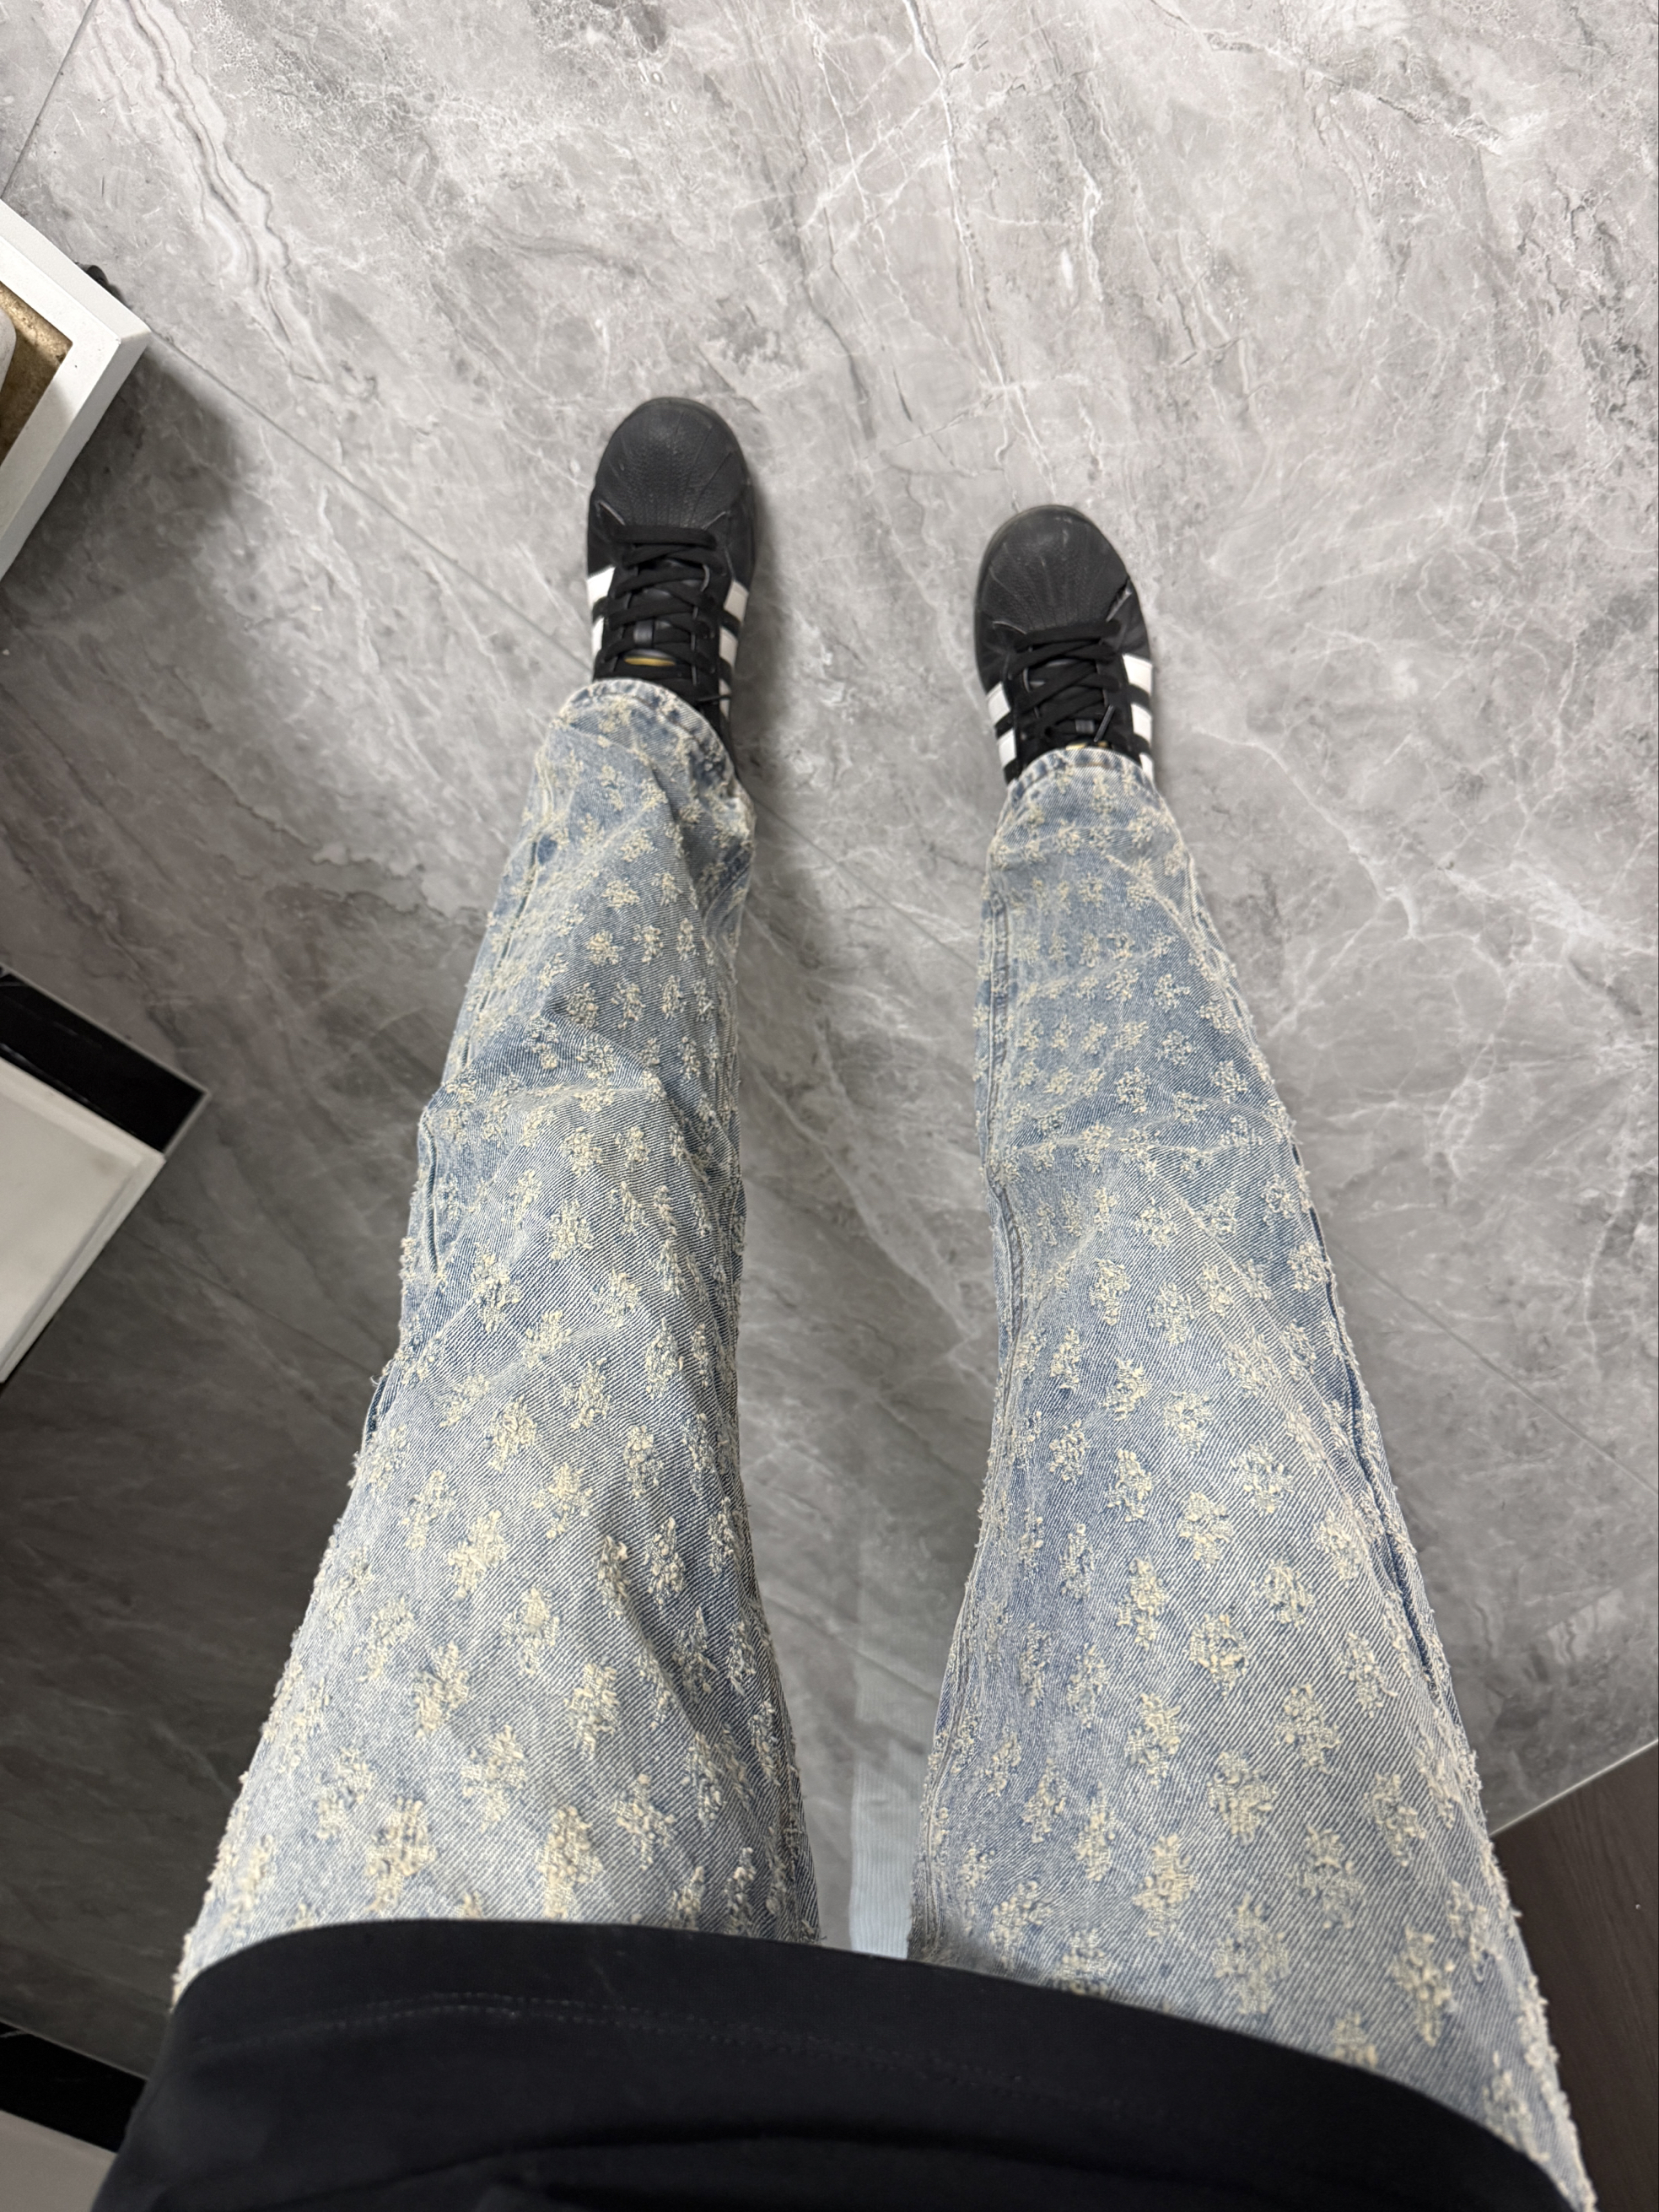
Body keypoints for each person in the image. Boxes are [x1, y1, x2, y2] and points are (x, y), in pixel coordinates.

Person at [96, 400, 1592, 2212]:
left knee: (549, 1219)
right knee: (1177, 1281)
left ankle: (647, 714)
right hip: (1269, 2159)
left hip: (390, 2110)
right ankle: (1084, 802)